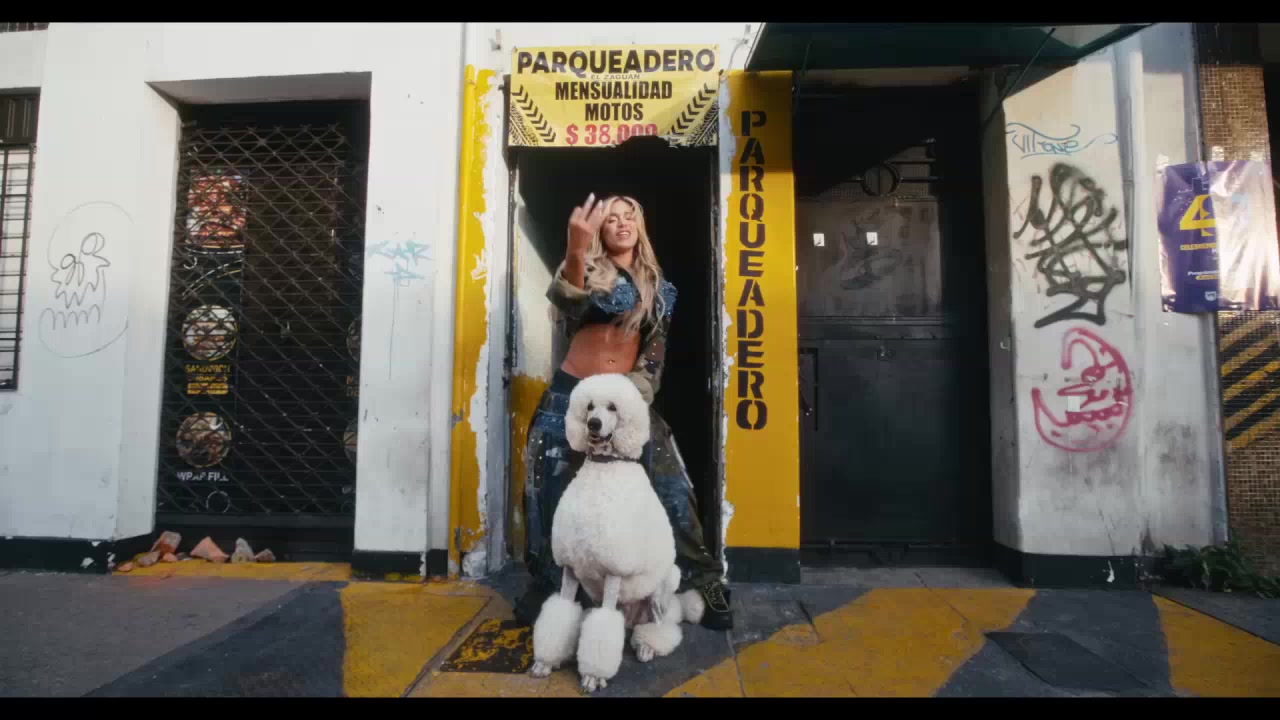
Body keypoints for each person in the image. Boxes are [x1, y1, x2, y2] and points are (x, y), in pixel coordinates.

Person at [513, 193, 733, 631]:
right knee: (548, 493)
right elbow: (568, 303)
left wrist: (631, 401)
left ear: (640, 225)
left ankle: (703, 578)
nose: (621, 223)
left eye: (629, 216)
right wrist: (576, 248)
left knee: (672, 486)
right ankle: (548, 585)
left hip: (627, 402)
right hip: (569, 399)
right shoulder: (588, 271)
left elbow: (654, 355)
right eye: (611, 218)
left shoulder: (660, 290)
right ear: (601, 230)